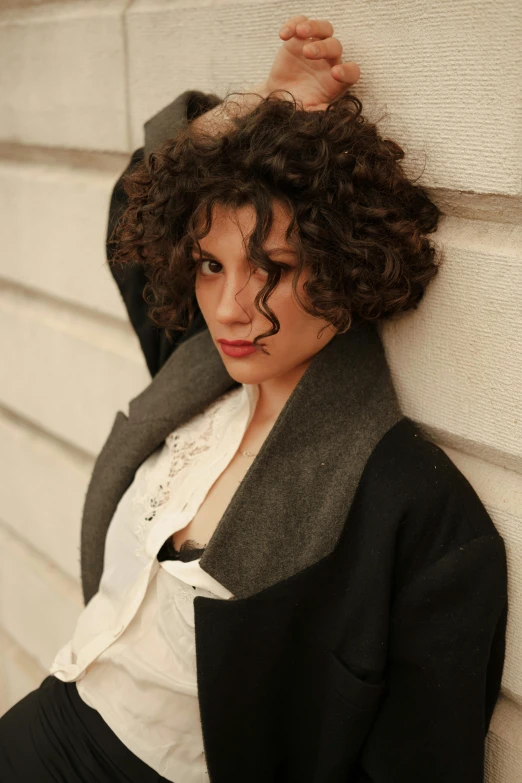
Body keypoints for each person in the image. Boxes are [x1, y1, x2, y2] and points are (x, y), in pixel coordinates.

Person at [0, 14, 508, 783]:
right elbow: (134, 200)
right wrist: (260, 110)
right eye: (209, 263)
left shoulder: (416, 512)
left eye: (271, 266)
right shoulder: (196, 371)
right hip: (41, 724)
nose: (231, 307)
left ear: (345, 265)